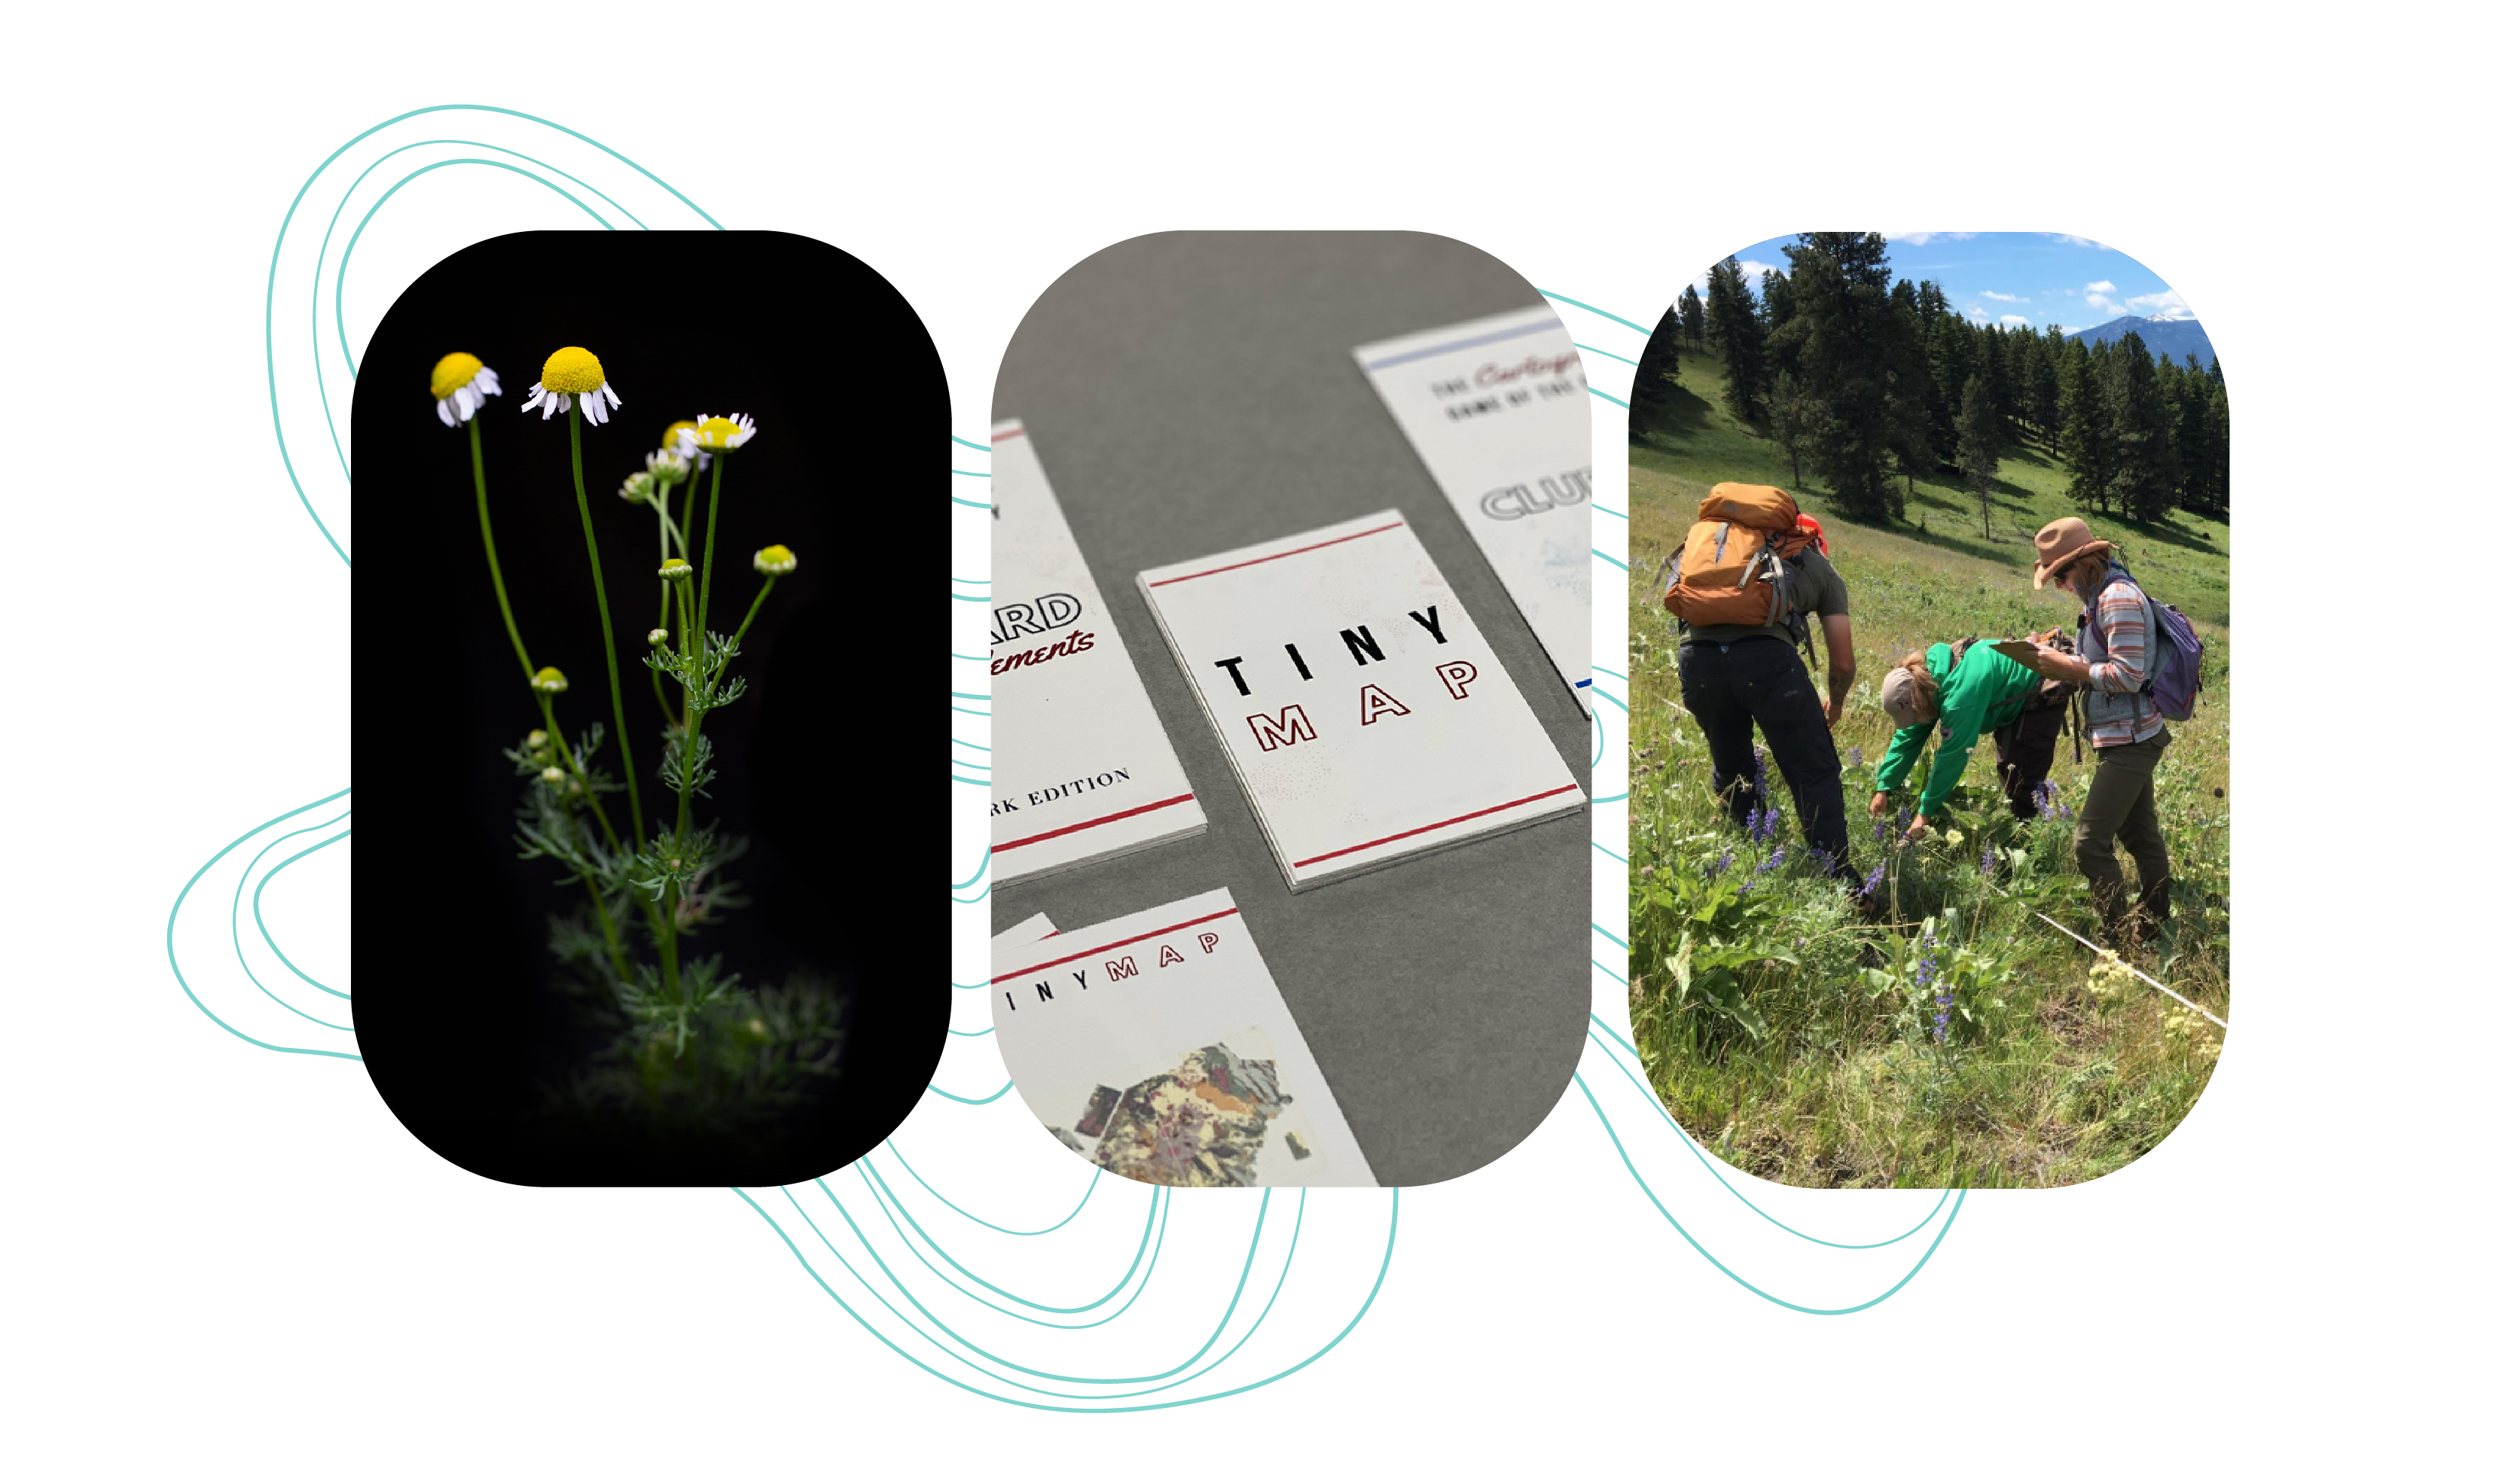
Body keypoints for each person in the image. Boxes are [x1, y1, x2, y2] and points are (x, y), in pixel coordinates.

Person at [1672, 510, 1859, 880]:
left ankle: (1748, 862)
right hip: (1769, 664)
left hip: (1697, 660)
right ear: (1812, 541)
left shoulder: (1716, 553)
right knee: (1813, 770)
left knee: (1732, 767)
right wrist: (1836, 703)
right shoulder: (1817, 564)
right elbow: (1843, 662)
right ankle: (1837, 878)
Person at [2018, 517, 2172, 943]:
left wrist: (2067, 668)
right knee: (2140, 834)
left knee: (2089, 843)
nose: (2059, 585)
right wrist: (2056, 654)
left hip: (2133, 740)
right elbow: (2104, 659)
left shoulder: (2116, 598)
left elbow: (2129, 674)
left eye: (2060, 575)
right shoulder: (2100, 596)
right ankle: (2156, 923)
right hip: (2125, 736)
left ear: (2084, 563)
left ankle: (2116, 937)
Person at [1869, 632, 2071, 843]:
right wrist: (1884, 787)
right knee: (2010, 773)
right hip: (2008, 694)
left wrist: (1923, 816)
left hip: (2037, 692)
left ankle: (2036, 848)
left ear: (1917, 701)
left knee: (2021, 781)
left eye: (1913, 715)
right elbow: (1908, 737)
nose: (1913, 722)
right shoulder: (1928, 676)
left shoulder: (1960, 697)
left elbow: (1952, 758)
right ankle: (2021, 836)